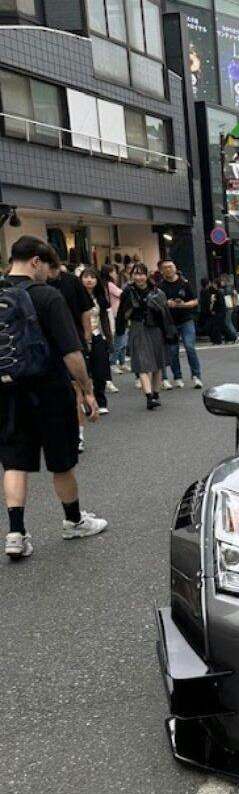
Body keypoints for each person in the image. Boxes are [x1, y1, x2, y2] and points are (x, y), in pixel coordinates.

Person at [1, 235, 107, 558]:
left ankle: (16, 533)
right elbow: (72, 353)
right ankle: (73, 521)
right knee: (62, 460)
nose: (49, 275)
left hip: (8, 391)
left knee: (14, 463)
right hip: (50, 390)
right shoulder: (47, 296)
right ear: (36, 261)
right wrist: (87, 390)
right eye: (48, 268)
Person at [119, 262, 168, 411]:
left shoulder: (156, 291)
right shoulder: (127, 291)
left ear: (147, 276)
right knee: (142, 363)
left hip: (155, 328)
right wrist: (120, 330)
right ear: (131, 275)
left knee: (157, 363)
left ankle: (156, 393)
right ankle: (148, 396)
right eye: (135, 274)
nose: (138, 277)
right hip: (137, 327)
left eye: (141, 274)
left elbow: (164, 312)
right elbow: (121, 313)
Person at [157, 260, 202, 390]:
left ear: (175, 268)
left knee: (190, 346)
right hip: (169, 322)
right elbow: (157, 303)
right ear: (162, 270)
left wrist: (182, 305)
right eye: (165, 267)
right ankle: (177, 376)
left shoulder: (184, 283)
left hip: (186, 319)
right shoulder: (160, 286)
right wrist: (167, 304)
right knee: (172, 351)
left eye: (170, 266)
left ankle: (196, 376)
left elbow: (195, 301)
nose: (168, 269)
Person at [79, 267, 116, 415]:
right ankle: (85, 401)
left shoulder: (100, 297)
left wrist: (109, 337)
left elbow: (105, 318)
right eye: (86, 277)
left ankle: (101, 401)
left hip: (97, 334)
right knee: (84, 370)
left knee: (100, 369)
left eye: (92, 277)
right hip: (80, 336)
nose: (89, 280)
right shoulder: (76, 296)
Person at [199, 276, 227, 344]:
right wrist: (211, 308)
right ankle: (218, 339)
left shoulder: (204, 291)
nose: (211, 284)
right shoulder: (210, 291)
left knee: (215, 326)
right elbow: (210, 301)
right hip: (212, 310)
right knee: (215, 326)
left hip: (211, 311)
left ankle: (217, 339)